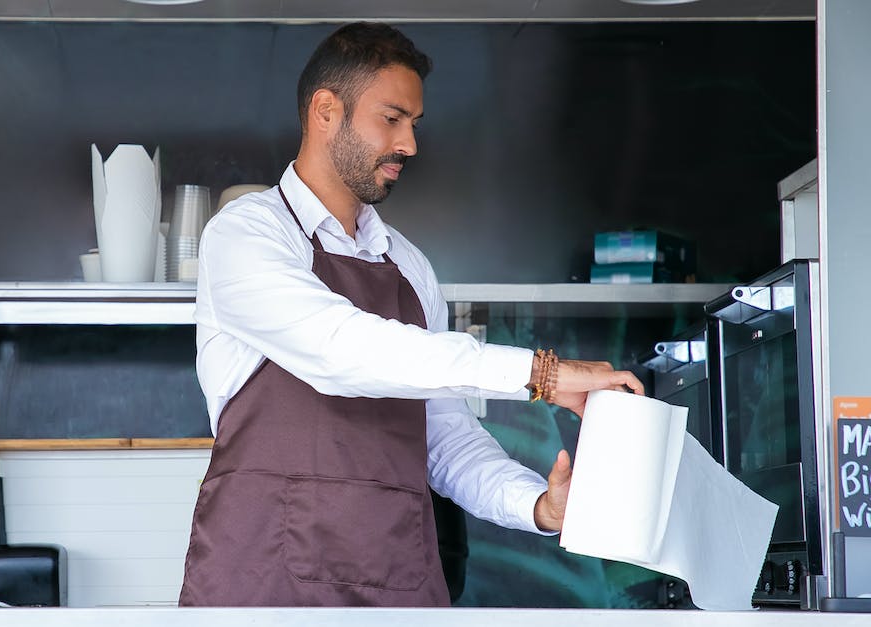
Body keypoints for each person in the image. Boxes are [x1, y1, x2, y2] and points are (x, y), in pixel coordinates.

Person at [179, 22, 644, 607]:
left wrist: (538, 506)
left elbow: (445, 439)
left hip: (395, 584)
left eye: (414, 125)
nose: (409, 145)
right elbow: (339, 349)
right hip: (263, 588)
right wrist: (541, 374)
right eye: (392, 118)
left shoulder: (409, 266)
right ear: (326, 111)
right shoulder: (245, 234)